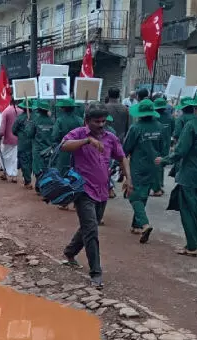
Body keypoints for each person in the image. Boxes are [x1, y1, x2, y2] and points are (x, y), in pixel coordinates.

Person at [60, 102, 132, 289]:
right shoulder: (79, 134)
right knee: (92, 229)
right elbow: (64, 145)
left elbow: (122, 156)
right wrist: (86, 141)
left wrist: (128, 178)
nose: (101, 125)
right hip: (83, 190)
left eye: (103, 121)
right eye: (96, 122)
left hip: (102, 190)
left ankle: (70, 252)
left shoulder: (110, 137)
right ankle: (96, 272)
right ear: (87, 121)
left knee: (88, 226)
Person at [155, 92, 197, 256]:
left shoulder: (191, 126)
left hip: (190, 173)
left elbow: (181, 151)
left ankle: (191, 245)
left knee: (187, 210)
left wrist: (164, 160)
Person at [123, 100, 166, 243]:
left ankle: (144, 224)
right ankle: (136, 225)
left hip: (138, 165)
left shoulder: (136, 128)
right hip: (154, 166)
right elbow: (164, 149)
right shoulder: (160, 127)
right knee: (144, 194)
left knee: (134, 196)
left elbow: (126, 147)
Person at [25, 100, 54, 191]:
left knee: (38, 168)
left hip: (38, 149)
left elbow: (29, 134)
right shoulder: (52, 121)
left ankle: (41, 186)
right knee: (47, 167)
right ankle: (43, 186)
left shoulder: (35, 121)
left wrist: (28, 123)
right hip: (49, 148)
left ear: (39, 110)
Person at [52, 99, 84, 176]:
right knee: (76, 174)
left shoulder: (59, 120)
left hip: (64, 150)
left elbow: (54, 136)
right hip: (78, 150)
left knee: (62, 174)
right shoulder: (81, 120)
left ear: (63, 108)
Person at [151, 98, 173, 196]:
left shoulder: (153, 118)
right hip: (166, 143)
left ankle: (157, 187)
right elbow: (172, 130)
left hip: (154, 143)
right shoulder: (171, 118)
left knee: (156, 164)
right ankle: (159, 184)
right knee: (161, 163)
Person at [0, 97, 22, 183]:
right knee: (15, 158)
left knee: (4, 156)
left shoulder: (6, 111)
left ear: (10, 102)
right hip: (18, 138)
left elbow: (2, 127)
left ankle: (5, 172)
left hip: (8, 138)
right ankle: (14, 176)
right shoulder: (21, 111)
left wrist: (0, 135)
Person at [12, 99, 34, 187]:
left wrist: (20, 134)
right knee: (31, 160)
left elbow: (13, 130)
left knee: (24, 161)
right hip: (33, 143)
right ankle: (28, 179)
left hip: (23, 143)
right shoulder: (35, 117)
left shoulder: (19, 118)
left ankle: (28, 181)